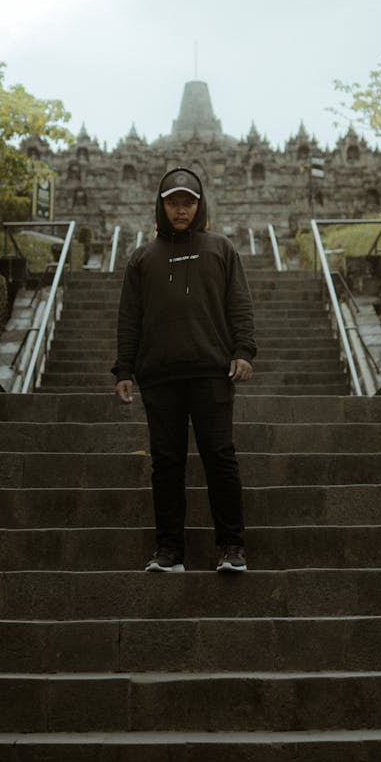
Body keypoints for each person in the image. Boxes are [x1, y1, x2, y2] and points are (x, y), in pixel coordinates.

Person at [112, 166, 256, 573]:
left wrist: (243, 350)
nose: (180, 210)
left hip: (212, 371)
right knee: (167, 462)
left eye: (188, 203)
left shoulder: (221, 249)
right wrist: (124, 369)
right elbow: (129, 318)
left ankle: (231, 547)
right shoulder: (142, 258)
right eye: (173, 202)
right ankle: (169, 550)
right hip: (159, 375)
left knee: (220, 457)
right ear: (161, 206)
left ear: (199, 205)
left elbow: (240, 305)